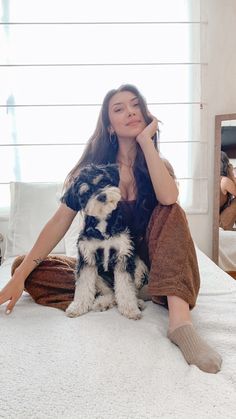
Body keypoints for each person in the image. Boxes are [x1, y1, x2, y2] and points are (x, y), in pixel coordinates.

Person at [0, 84, 222, 373]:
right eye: (119, 109)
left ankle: (180, 323)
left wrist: (146, 143)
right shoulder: (93, 172)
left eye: (135, 105)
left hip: (155, 265)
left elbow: (168, 198)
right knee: (25, 267)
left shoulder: (157, 164)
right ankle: (119, 292)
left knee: (171, 209)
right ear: (109, 126)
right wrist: (20, 276)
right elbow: (59, 221)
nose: (130, 111)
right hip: (108, 264)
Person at [219, 151, 236, 230]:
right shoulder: (224, 180)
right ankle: (227, 226)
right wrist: (231, 174)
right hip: (220, 222)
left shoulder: (217, 179)